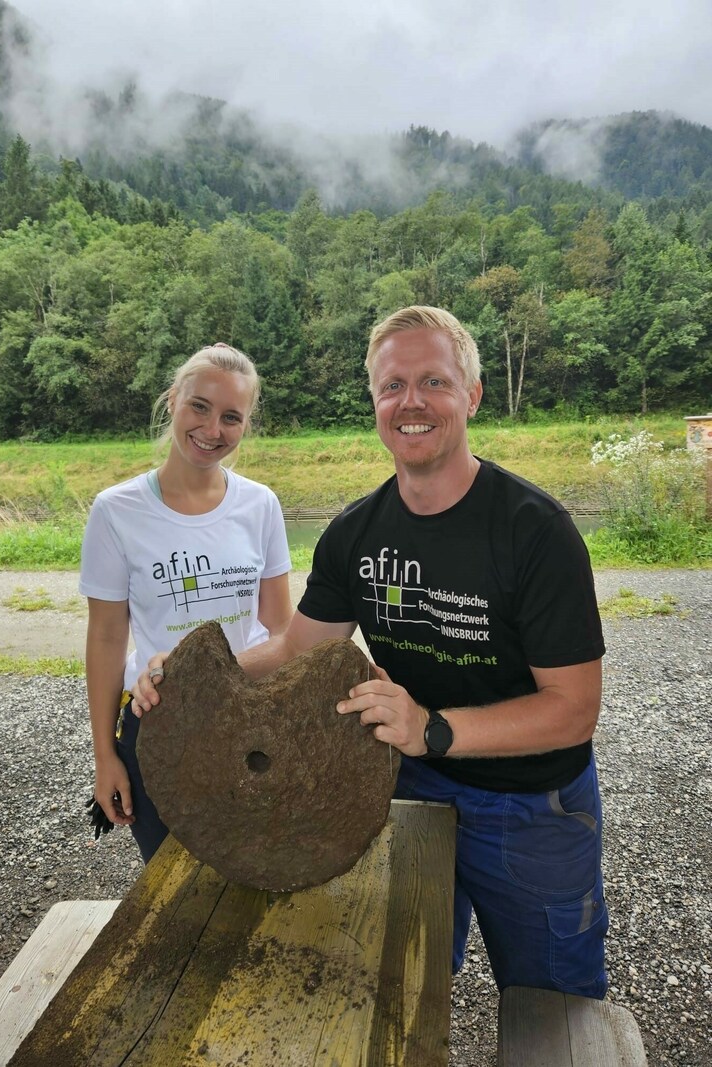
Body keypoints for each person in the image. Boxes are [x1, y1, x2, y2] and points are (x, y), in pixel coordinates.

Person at [133, 306, 608, 999]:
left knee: (553, 1000)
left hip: (530, 806)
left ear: (472, 395)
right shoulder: (356, 532)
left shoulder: (535, 530)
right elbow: (298, 646)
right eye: (393, 386)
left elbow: (573, 711)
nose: (411, 402)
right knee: (406, 979)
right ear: (375, 401)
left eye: (434, 382)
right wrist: (182, 675)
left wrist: (432, 727)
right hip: (410, 787)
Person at [80, 342, 293, 864]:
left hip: (247, 722)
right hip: (159, 726)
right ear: (173, 399)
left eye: (231, 417)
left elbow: (281, 628)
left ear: (246, 424)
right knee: (170, 884)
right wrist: (104, 753)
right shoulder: (116, 511)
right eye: (199, 406)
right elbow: (107, 639)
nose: (212, 429)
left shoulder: (260, 505)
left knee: (251, 874)